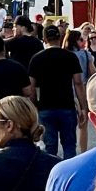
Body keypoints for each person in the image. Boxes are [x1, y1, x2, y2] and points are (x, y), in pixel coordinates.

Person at [28, 22, 86, 159]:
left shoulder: (36, 58)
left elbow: (31, 87)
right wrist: (83, 107)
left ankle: (50, 175)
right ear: (59, 38)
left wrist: (35, 105)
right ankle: (70, 176)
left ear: (44, 39)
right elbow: (78, 82)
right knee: (70, 145)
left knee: (50, 147)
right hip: (67, 106)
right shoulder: (70, 57)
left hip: (46, 106)